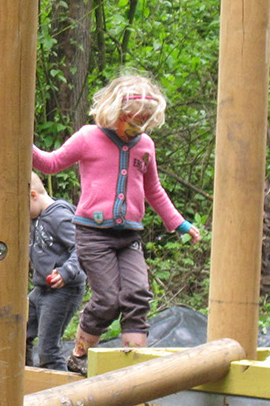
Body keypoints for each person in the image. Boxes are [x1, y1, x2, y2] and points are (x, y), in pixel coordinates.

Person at [32, 73, 203, 375]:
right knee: (109, 299)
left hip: (129, 237)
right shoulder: (88, 137)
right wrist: (24, 144)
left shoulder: (145, 146)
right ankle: (79, 354)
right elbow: (52, 163)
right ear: (114, 113)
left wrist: (179, 223)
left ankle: (134, 366)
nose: (138, 128)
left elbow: (154, 190)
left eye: (145, 122)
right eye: (133, 120)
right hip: (93, 235)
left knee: (138, 295)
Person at [27, 171, 86, 369]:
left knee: (48, 351)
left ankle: (61, 396)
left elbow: (83, 247)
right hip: (40, 290)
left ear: (33, 195)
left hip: (63, 292)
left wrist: (66, 272)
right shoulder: (37, 217)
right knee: (18, 334)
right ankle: (23, 384)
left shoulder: (60, 216)